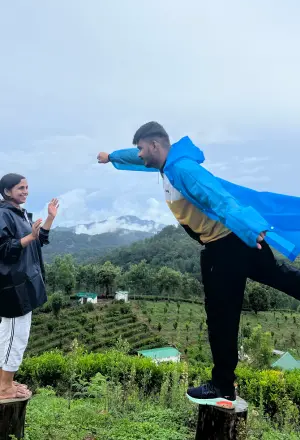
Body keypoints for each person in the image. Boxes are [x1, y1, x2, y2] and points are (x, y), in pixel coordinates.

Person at [97, 121, 300, 409]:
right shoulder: (168, 164)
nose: (139, 155)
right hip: (238, 242)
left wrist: (249, 226)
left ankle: (222, 386)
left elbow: (218, 197)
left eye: (141, 149)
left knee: (221, 316)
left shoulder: (183, 170)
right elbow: (135, 159)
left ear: (155, 146)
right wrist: (112, 157)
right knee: (280, 276)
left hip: (225, 246)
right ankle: (223, 383)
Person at [0, 173, 59, 401]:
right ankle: (4, 387)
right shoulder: (4, 214)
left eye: (26, 187)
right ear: (7, 191)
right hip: (13, 287)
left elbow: (38, 240)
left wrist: (49, 219)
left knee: (12, 336)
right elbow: (4, 248)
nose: (25, 191)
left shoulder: (18, 213)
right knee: (15, 336)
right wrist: (28, 238)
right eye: (20, 188)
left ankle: (5, 380)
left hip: (24, 284)